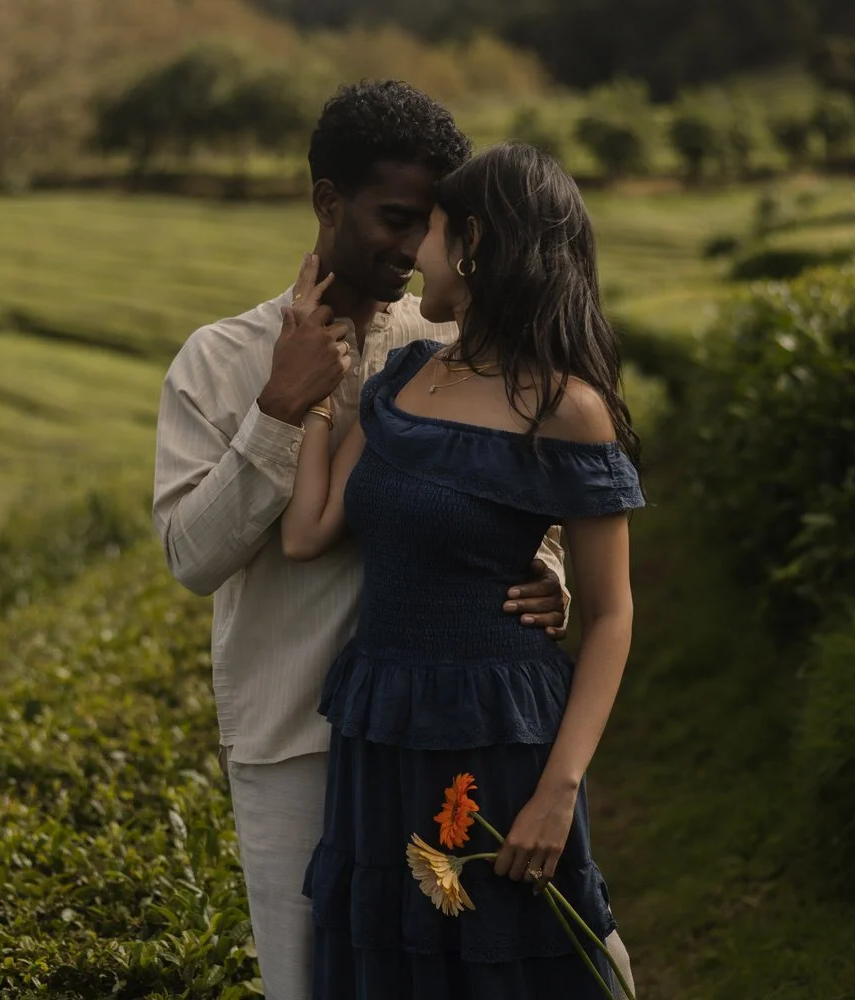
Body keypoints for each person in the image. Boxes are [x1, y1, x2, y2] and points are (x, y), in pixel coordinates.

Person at [152, 82, 611, 999]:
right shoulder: (218, 360)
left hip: (456, 729)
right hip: (297, 743)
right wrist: (281, 408)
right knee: (315, 983)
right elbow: (192, 559)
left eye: (431, 224)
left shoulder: (440, 344)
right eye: (394, 217)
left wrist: (544, 570)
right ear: (327, 202)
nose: (413, 248)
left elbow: (523, 494)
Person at [279, 140, 643, 997]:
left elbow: (614, 616)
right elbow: (309, 532)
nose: (415, 253)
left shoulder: (567, 409)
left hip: (497, 731)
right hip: (381, 721)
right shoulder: (405, 377)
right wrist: (318, 396)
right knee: (392, 957)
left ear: (473, 243)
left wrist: (559, 791)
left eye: (433, 230)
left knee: (504, 960)